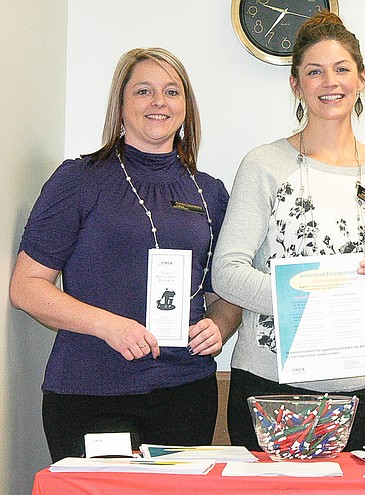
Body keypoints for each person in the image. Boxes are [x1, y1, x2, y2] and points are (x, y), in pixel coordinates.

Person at [9, 47, 241, 462]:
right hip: (90, 392)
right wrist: (109, 326)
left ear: (185, 108)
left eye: (172, 92)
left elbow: (225, 294)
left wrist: (220, 325)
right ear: (120, 104)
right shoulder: (78, 180)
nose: (159, 102)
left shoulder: (211, 193)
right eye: (143, 91)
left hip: (186, 392)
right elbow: (26, 288)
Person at [212, 12, 365, 452]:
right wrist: (310, 298)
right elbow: (226, 273)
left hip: (362, 389)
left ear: (361, 78)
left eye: (341, 69)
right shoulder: (263, 165)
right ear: (295, 85)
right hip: (270, 383)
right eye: (314, 71)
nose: (330, 81)